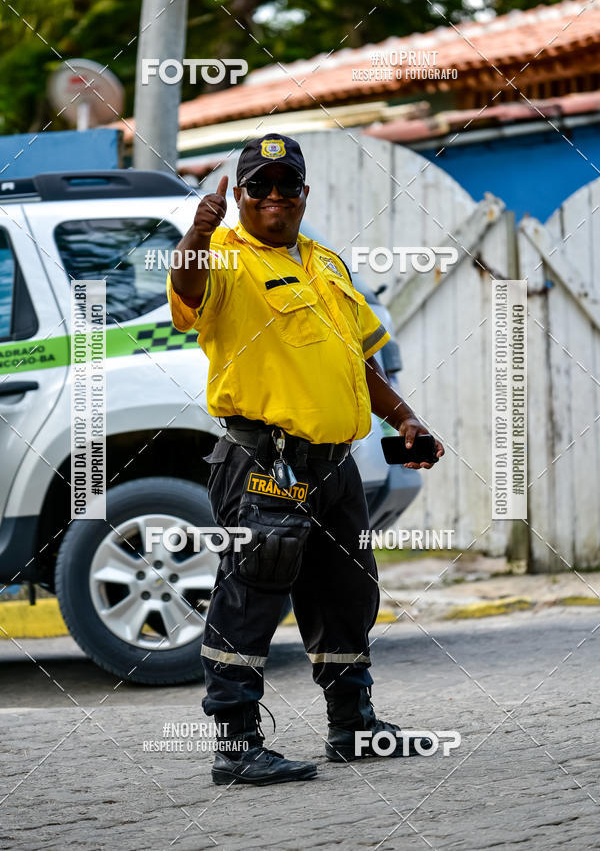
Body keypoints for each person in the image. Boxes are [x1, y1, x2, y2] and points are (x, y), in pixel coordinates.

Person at [167, 133, 444, 786]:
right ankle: (236, 747)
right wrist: (196, 235)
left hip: (334, 466)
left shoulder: (324, 262)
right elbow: (187, 291)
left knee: (347, 594)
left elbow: (359, 360)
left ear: (302, 193)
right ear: (239, 195)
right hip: (266, 461)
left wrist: (403, 417)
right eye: (256, 186)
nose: (271, 198)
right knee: (252, 594)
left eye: (283, 185)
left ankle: (354, 726)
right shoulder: (225, 260)